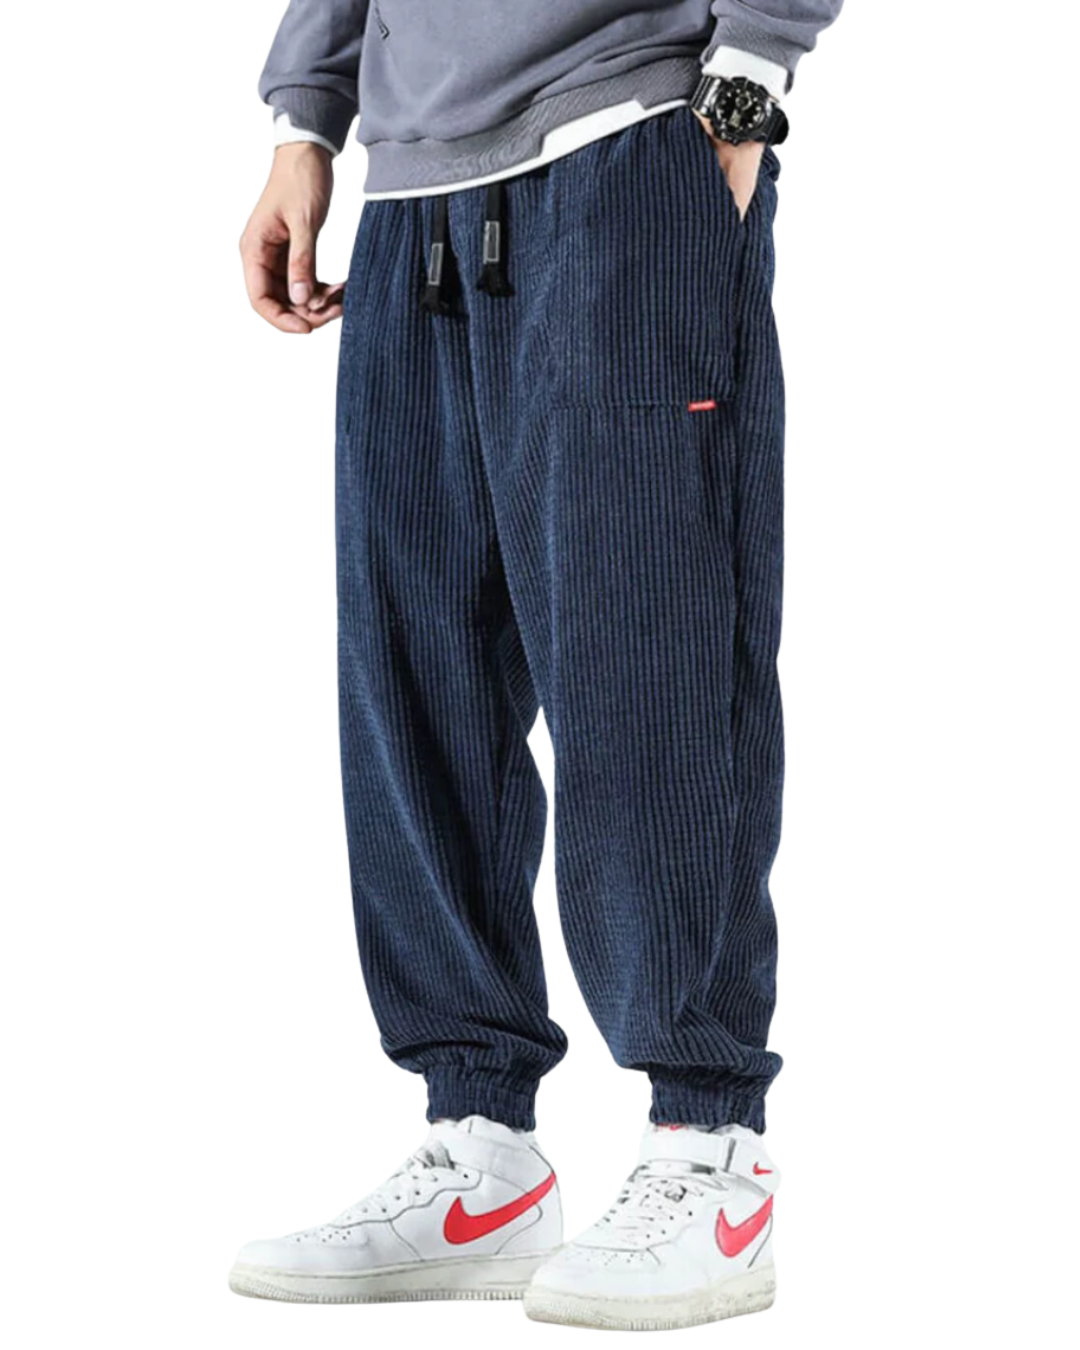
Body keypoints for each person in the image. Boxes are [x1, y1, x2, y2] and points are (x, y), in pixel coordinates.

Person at [233, 0, 842, 1331]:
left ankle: (711, 1146)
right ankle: (482, 1146)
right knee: (417, 672)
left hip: (625, 145)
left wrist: (747, 83)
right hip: (412, 190)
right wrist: (305, 122)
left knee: (650, 653)